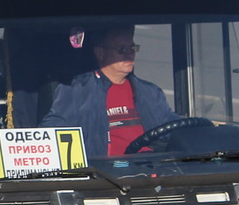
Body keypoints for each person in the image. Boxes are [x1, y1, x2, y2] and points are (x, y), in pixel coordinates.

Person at [42, 25, 178, 157]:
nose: (129, 54)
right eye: (121, 49)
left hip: (151, 171)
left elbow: (172, 128)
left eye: (132, 48)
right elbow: (52, 134)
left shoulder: (150, 92)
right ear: (100, 53)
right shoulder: (76, 90)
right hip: (104, 176)